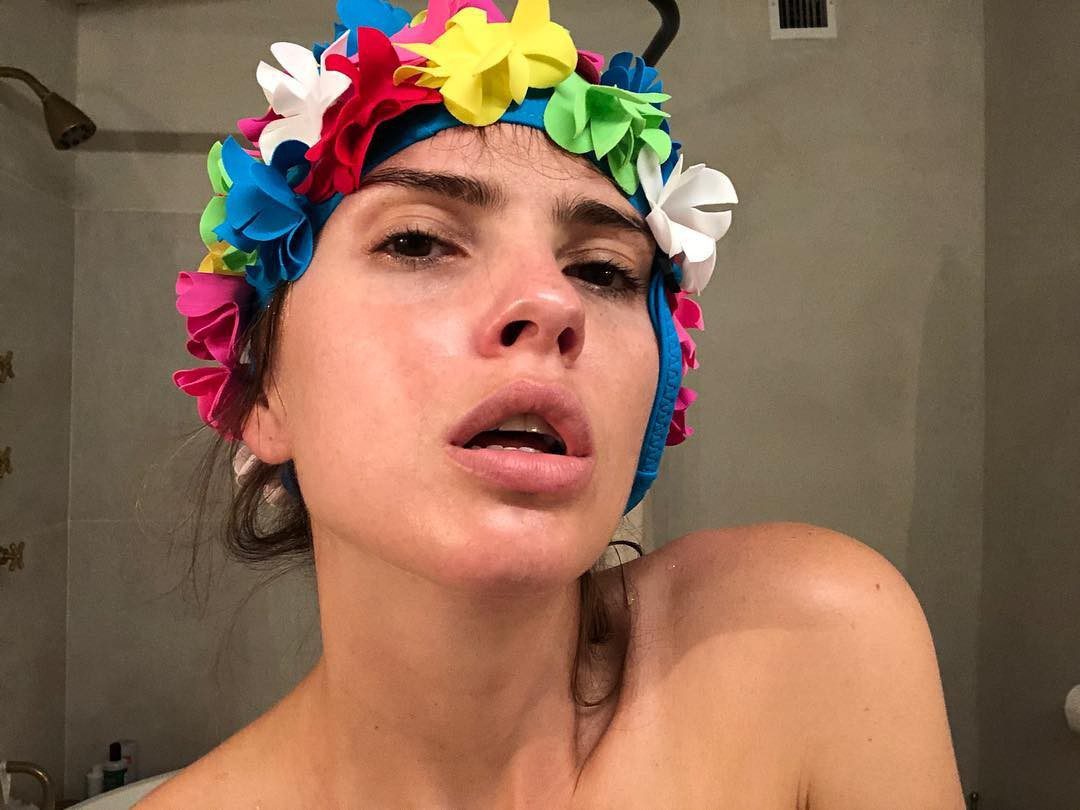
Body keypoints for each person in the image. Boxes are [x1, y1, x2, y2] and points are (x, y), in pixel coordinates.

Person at [146, 0, 965, 806]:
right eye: (417, 241)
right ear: (263, 393)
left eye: (603, 271)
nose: (551, 301)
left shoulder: (810, 645)